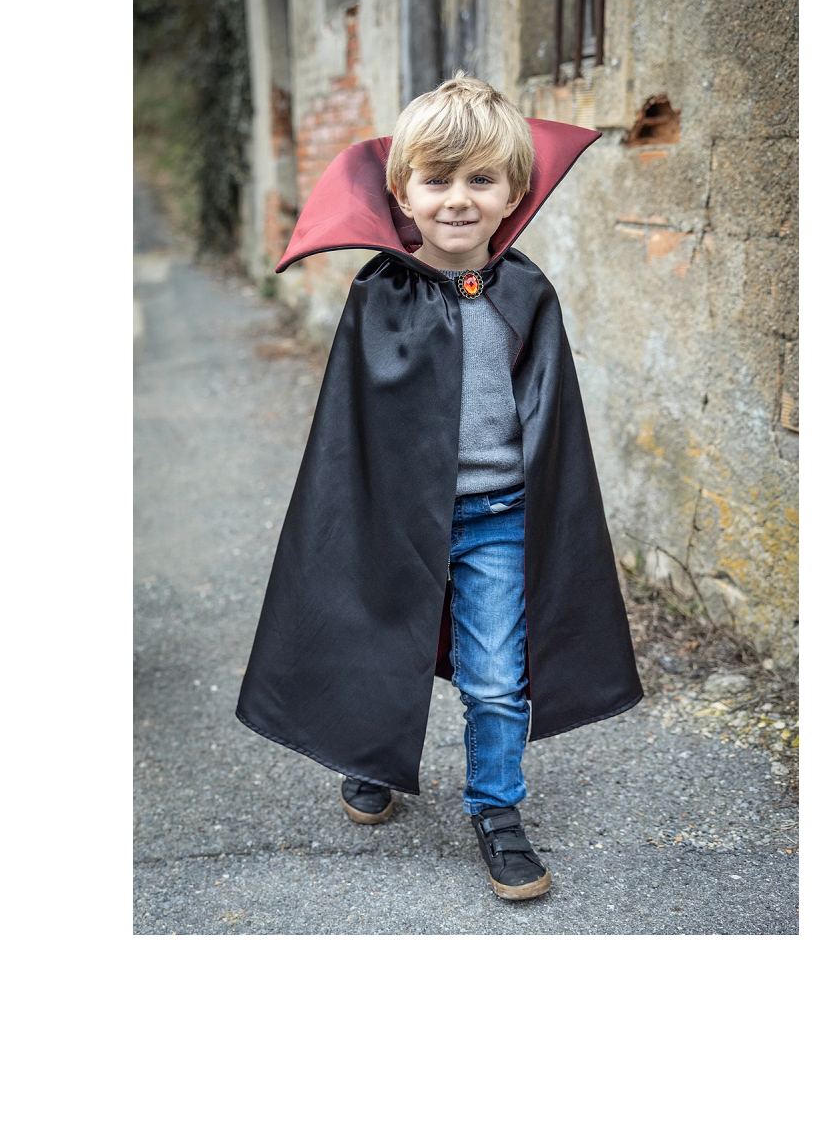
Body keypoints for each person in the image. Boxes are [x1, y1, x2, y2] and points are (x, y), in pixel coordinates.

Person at [237, 74, 642, 901]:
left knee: (497, 676)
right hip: (395, 517)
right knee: (381, 641)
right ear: (403, 193)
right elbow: (349, 429)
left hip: (499, 517)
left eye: (481, 180)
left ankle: (497, 809)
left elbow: (552, 420)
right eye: (438, 180)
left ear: (513, 193)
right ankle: (371, 756)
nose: (458, 199)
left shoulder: (527, 292)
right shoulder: (379, 295)